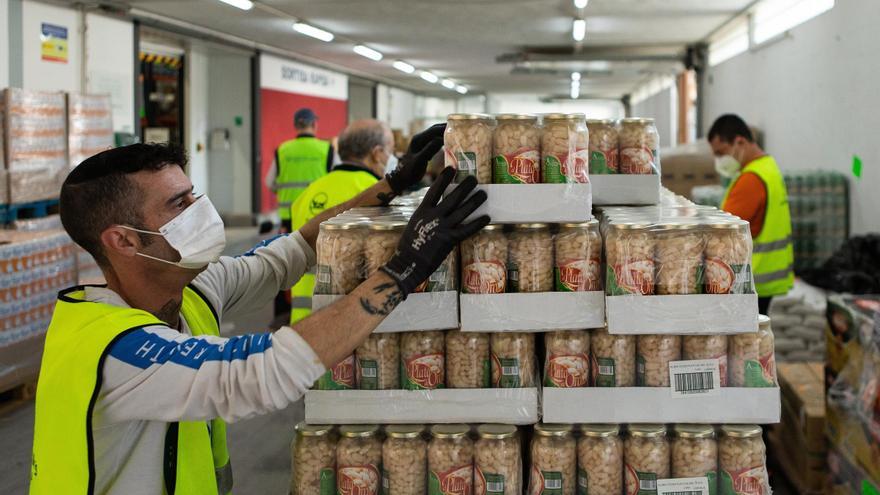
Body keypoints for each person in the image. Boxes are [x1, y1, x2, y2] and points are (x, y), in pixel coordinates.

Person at [29, 123, 488, 494]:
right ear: (124, 240)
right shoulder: (117, 349)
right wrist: (403, 270)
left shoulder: (192, 288)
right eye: (178, 204)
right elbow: (262, 372)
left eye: (193, 194)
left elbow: (293, 251)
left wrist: (389, 185)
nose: (200, 209)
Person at [287, 119, 397, 323]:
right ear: (377, 153)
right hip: (348, 323)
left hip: (302, 321)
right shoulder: (378, 195)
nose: (393, 158)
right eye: (390, 150)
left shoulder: (309, 191)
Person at [708, 114, 794, 314]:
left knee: (745, 342)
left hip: (751, 278)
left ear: (740, 142)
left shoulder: (751, 179)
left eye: (721, 153)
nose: (719, 161)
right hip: (767, 278)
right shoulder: (768, 167)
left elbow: (724, 234)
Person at [265, 108, 335, 233]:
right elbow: (338, 178)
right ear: (314, 125)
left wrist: (283, 191)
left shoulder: (283, 150)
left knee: (290, 251)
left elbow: (269, 182)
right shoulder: (327, 149)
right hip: (317, 212)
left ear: (295, 126)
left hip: (289, 215)